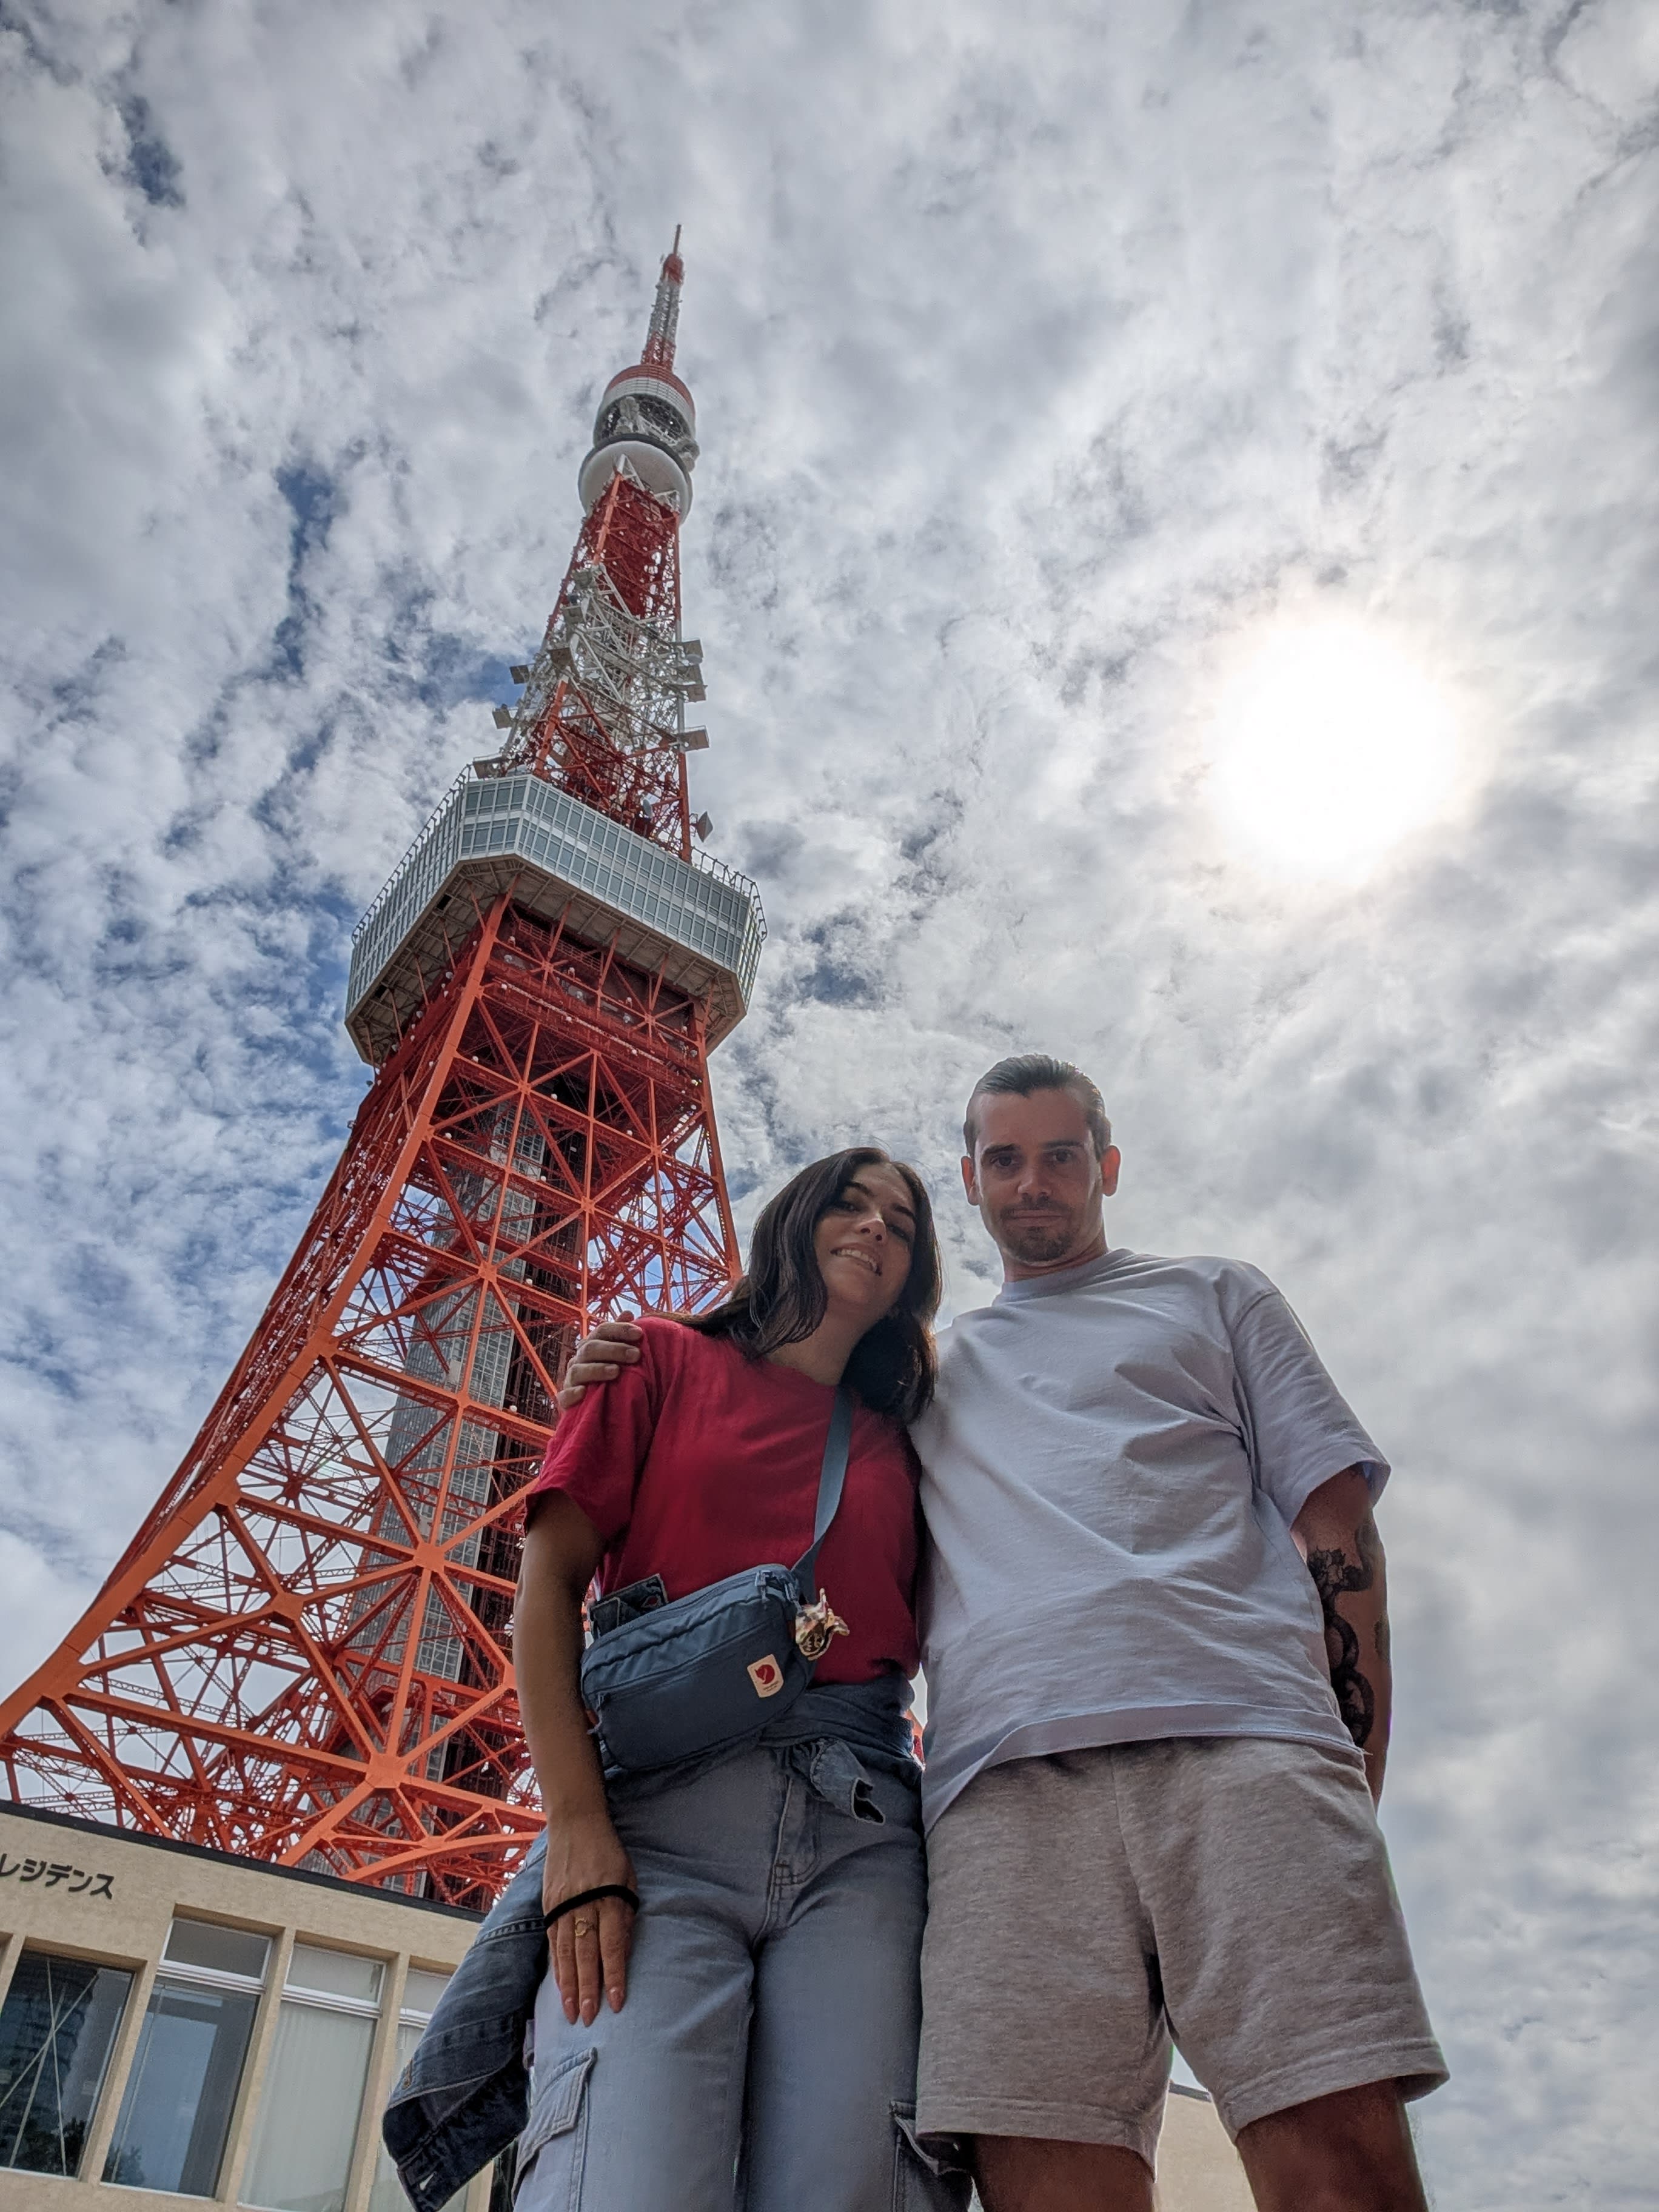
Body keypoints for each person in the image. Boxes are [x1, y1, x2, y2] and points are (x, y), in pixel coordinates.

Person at [566, 1055, 1447, 2212]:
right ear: (974, 1185)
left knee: (1335, 2161)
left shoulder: (1217, 1295)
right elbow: (773, 1404)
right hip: (996, 1796)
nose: (1034, 1183)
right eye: (1004, 1160)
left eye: (1061, 1156)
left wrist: (1348, 1769)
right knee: (1042, 2180)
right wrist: (637, 1358)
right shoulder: (924, 1376)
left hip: (1242, 1749)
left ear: (1108, 1167)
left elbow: (1339, 1531)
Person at [511, 1145, 967, 2212]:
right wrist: (577, 1831)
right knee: (629, 2181)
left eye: (902, 1224)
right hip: (659, 1825)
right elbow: (546, 1591)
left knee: (856, 2182)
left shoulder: (916, 1438)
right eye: (850, 1206)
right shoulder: (658, 1362)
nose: (875, 1231)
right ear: (794, 1221)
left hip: (860, 1836)